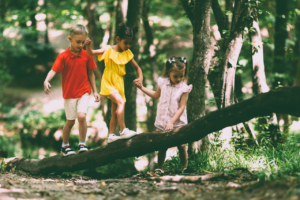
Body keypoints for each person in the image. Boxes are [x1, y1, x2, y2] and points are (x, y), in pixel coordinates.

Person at [44, 24, 100, 156]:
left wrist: (95, 91)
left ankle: (82, 144)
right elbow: (54, 70)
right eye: (78, 42)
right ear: (70, 39)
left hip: (84, 91)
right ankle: (65, 146)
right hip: (69, 94)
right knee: (70, 121)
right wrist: (46, 80)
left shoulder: (87, 55)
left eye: (83, 42)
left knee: (82, 116)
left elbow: (91, 73)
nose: (80, 45)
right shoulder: (63, 56)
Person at [85, 23, 143, 143]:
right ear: (118, 39)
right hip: (108, 81)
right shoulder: (108, 49)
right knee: (121, 102)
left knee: (114, 111)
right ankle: (123, 130)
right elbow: (91, 53)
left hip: (119, 83)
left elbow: (137, 68)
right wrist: (88, 46)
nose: (128, 45)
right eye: (125, 42)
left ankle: (111, 135)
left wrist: (140, 78)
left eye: (130, 43)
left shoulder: (127, 53)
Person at [136, 56, 192, 174]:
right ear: (168, 72)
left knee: (181, 145)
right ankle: (160, 167)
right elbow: (156, 95)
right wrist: (142, 88)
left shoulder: (184, 88)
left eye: (181, 75)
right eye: (175, 76)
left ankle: (184, 167)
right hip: (163, 120)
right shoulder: (163, 83)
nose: (179, 78)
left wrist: (172, 122)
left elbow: (182, 107)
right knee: (162, 145)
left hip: (177, 121)